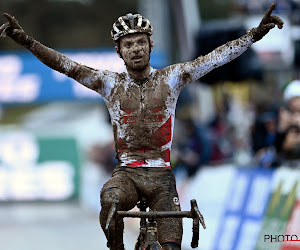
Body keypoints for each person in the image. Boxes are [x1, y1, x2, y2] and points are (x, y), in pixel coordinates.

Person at [0, 4, 283, 250]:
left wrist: (254, 35)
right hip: (127, 174)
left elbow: (214, 59)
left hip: (162, 178)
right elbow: (66, 66)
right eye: (128, 44)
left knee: (172, 244)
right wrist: (26, 41)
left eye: (140, 42)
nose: (135, 48)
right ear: (119, 51)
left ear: (150, 45)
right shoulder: (108, 83)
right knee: (109, 201)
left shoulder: (172, 78)